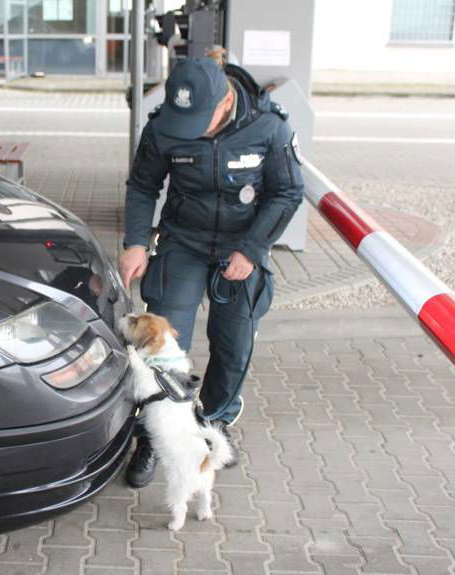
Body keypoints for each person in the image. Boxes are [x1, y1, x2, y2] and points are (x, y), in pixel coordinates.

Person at [119, 55, 304, 488]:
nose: (192, 130)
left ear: (225, 102)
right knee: (161, 345)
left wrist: (252, 250)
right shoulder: (165, 124)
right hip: (184, 241)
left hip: (241, 249)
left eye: (201, 120)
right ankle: (151, 437)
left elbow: (287, 191)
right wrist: (135, 242)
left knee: (234, 345)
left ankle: (215, 423)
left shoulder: (268, 126)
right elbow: (144, 184)